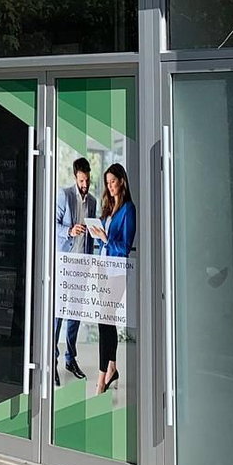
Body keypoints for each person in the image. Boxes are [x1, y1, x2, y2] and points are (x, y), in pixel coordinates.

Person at [54, 156, 97, 383]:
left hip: (82, 264)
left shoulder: (93, 201)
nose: (85, 185)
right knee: (59, 313)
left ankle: (70, 359)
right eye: (81, 181)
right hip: (65, 264)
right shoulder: (64, 195)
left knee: (75, 314)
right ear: (75, 177)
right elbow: (52, 225)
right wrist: (69, 231)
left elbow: (92, 233)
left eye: (87, 180)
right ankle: (52, 360)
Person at [95, 164, 136, 395]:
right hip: (103, 269)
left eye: (113, 182)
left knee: (105, 321)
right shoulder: (109, 208)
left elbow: (125, 247)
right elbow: (104, 242)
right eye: (107, 183)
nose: (109, 186)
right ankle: (112, 368)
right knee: (106, 322)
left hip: (117, 272)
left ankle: (102, 379)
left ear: (122, 181)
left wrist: (106, 239)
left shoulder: (128, 209)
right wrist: (97, 233)